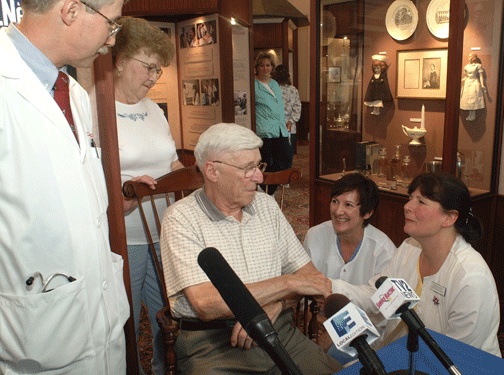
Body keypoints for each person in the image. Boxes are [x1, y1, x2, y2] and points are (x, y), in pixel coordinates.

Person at [0, 0, 130, 373]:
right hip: (34, 340)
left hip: (99, 324)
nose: (111, 38)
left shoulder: (71, 91)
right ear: (72, 11)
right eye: (112, 23)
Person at [160, 123, 343, 374]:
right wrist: (288, 283)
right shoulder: (181, 218)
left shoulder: (266, 206)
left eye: (259, 166)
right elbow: (206, 303)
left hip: (279, 330)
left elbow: (312, 279)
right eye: (248, 168)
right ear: (212, 171)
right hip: (214, 346)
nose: (259, 177)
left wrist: (275, 306)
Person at [331, 173, 501, 357]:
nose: (407, 206)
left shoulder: (471, 279)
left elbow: (454, 357)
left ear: (449, 217)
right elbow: (378, 297)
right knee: (334, 354)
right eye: (410, 198)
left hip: (450, 367)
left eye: (421, 202)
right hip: (401, 356)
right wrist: (329, 287)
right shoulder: (409, 248)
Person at [112, 17, 184, 375]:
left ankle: (163, 367)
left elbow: (170, 161)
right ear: (121, 59)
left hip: (164, 230)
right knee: (124, 321)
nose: (154, 77)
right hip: (127, 237)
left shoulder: (154, 109)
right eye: (148, 66)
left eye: (158, 69)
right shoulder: (95, 108)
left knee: (165, 316)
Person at [304, 173, 396, 286]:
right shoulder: (315, 235)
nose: (338, 211)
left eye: (348, 205)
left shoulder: (383, 251)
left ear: (368, 212)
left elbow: (383, 299)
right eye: (335, 202)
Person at [254, 52, 293, 194]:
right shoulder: (253, 84)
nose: (265, 68)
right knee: (267, 163)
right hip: (264, 130)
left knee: (285, 159)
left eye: (268, 65)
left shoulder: (274, 83)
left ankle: (268, 192)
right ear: (257, 67)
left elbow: (279, 106)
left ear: (272, 67)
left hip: (280, 129)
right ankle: (265, 193)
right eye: (262, 65)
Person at [272, 64, 302, 159]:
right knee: (287, 156)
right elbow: (297, 108)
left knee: (275, 155)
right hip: (289, 128)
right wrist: (290, 121)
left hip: (273, 128)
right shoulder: (293, 90)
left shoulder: (272, 89)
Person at [460, 53, 487, 121]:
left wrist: (482, 84)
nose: (469, 58)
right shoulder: (466, 66)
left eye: (470, 56)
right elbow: (466, 76)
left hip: (474, 83)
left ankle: (473, 114)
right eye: (469, 56)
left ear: (473, 58)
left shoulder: (478, 66)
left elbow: (481, 76)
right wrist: (459, 80)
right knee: (468, 99)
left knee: (473, 98)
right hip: (467, 83)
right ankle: (470, 114)